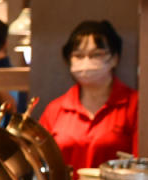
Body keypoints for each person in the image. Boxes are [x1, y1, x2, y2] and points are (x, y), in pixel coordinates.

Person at [39, 20, 138, 172]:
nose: (86, 62)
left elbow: (142, 163)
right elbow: (41, 162)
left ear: (115, 58)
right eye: (78, 56)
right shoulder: (55, 110)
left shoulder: (134, 105)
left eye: (96, 54)